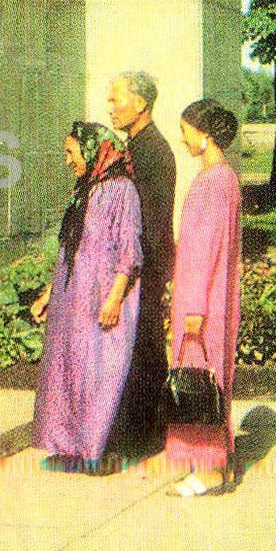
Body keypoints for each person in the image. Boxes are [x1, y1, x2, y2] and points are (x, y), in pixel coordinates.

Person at [31, 122, 143, 473]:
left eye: (71, 153)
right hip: (71, 297)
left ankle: (96, 451)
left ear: (94, 149)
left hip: (101, 294)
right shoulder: (85, 189)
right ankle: (69, 448)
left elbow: (130, 251)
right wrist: (50, 293)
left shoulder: (122, 191)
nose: (68, 161)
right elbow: (69, 248)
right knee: (68, 368)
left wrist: (114, 299)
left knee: (100, 371)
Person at [165, 99, 243, 497]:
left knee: (198, 381)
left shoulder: (213, 181)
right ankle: (218, 465)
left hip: (202, 301)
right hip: (216, 297)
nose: (183, 138)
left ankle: (210, 471)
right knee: (211, 383)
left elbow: (202, 249)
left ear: (204, 133)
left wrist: (193, 306)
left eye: (186, 130)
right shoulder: (225, 177)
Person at [104, 72, 176, 460]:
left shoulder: (153, 151)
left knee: (140, 350)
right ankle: (146, 433)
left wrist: (129, 272)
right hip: (137, 267)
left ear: (140, 104)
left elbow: (148, 222)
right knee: (141, 349)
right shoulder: (136, 146)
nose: (110, 107)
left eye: (116, 99)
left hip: (142, 268)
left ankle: (141, 438)